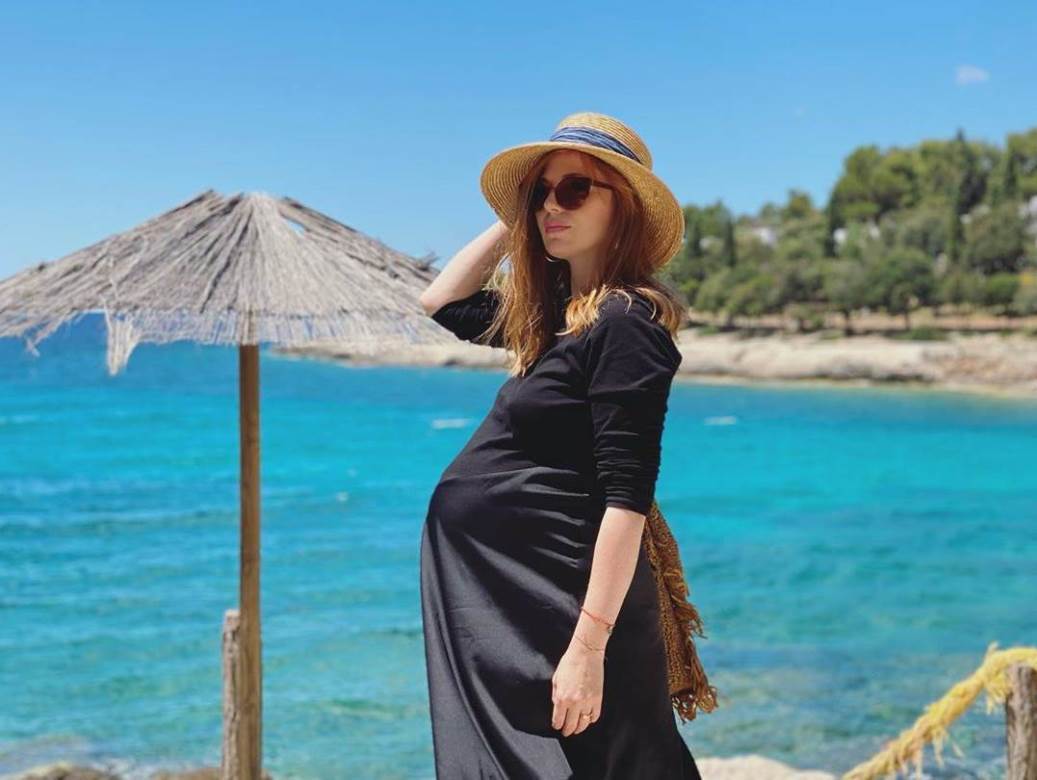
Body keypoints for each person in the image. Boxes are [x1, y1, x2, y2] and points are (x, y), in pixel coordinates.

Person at [418, 111, 702, 779]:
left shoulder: (626, 324)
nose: (552, 206)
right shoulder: (554, 318)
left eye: (575, 190)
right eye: (540, 192)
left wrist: (588, 647)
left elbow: (627, 498)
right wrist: (514, 215)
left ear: (622, 207)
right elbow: (441, 300)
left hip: (564, 601)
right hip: (517, 598)